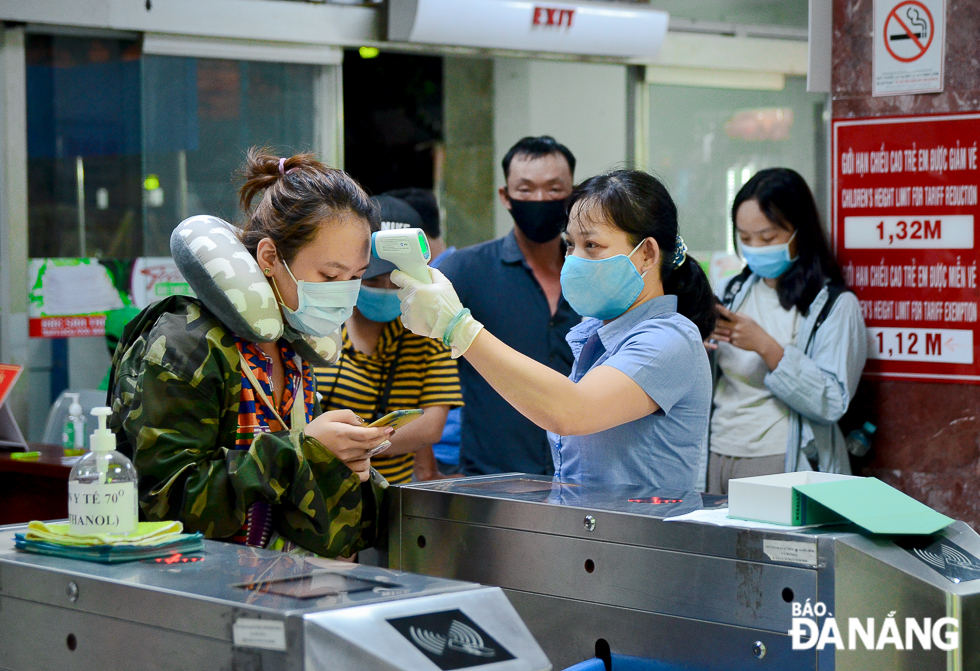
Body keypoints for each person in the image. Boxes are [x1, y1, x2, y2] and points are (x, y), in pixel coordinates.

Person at [108, 149, 391, 557]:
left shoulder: (292, 348)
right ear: (270, 258)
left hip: (284, 588)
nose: (343, 292)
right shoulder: (183, 344)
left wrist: (344, 464)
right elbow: (165, 504)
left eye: (355, 277)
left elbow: (299, 501)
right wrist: (303, 451)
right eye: (329, 275)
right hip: (194, 592)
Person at [392, 170, 716, 490]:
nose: (574, 259)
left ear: (646, 254)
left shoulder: (670, 339)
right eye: (570, 244)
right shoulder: (596, 336)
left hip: (644, 538)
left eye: (592, 245)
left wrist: (460, 328)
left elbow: (572, 411)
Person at [705, 168, 867, 495]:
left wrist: (767, 347)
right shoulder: (731, 290)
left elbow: (832, 402)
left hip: (780, 458)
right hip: (717, 451)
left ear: (799, 232)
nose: (755, 248)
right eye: (745, 238)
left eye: (767, 238)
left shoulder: (833, 305)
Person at [437, 136, 580, 476]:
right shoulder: (466, 270)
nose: (541, 200)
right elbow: (421, 358)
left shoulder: (594, 275)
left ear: (573, 195)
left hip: (582, 475)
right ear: (506, 196)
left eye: (554, 189)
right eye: (526, 190)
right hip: (491, 476)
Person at [315, 195, 463, 485]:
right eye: (372, 279)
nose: (385, 289)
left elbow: (431, 427)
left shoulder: (426, 332)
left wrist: (348, 445)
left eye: (396, 281)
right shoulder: (319, 328)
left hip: (389, 496)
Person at [384, 187, 460, 476]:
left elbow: (430, 426)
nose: (388, 287)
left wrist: (355, 444)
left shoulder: (429, 320)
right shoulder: (334, 332)